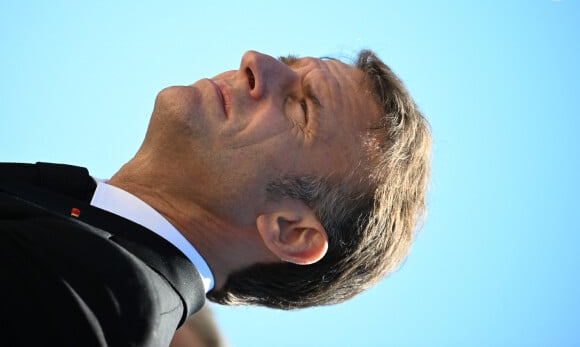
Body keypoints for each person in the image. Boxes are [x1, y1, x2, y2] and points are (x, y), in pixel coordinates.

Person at [0, 50, 431, 346]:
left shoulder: (109, 305)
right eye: (285, 63)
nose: (255, 61)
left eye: (301, 107)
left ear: (291, 232)